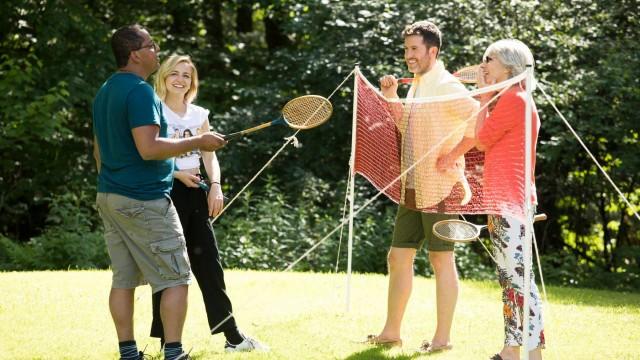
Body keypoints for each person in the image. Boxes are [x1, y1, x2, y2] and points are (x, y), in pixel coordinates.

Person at [92, 25, 226, 360]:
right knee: (176, 278)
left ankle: (129, 353)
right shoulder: (139, 92)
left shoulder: (105, 90)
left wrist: (116, 183)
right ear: (135, 54)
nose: (156, 51)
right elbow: (149, 148)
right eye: (151, 46)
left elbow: (98, 152)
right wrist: (198, 141)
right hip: (144, 200)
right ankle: (175, 353)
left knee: (123, 279)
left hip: (110, 197)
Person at [366, 20, 477, 353]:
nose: (408, 55)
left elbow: (478, 120)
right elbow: (406, 126)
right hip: (413, 185)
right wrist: (391, 96)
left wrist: (454, 156)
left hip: (442, 187)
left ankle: (442, 340)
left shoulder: (447, 86)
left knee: (441, 261)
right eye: (405, 49)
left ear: (433, 50)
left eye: (414, 49)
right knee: (398, 256)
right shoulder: (418, 84)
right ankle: (391, 333)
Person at [149, 54, 269, 353]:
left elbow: (209, 155)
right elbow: (148, 154)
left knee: (210, 265)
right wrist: (177, 174)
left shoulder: (199, 113)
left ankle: (232, 336)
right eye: (174, 73)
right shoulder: (154, 110)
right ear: (163, 76)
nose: (180, 79)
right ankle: (168, 343)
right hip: (166, 192)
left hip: (197, 194)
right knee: (170, 268)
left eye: (186, 75)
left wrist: (215, 186)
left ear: (193, 82)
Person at [474, 39, 545, 360]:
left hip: (510, 203)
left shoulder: (514, 100)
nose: (483, 64)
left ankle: (533, 354)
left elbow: (482, 139)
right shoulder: (514, 99)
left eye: (489, 59)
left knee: (519, 280)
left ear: (508, 66)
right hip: (504, 202)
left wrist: (483, 97)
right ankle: (510, 351)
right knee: (509, 279)